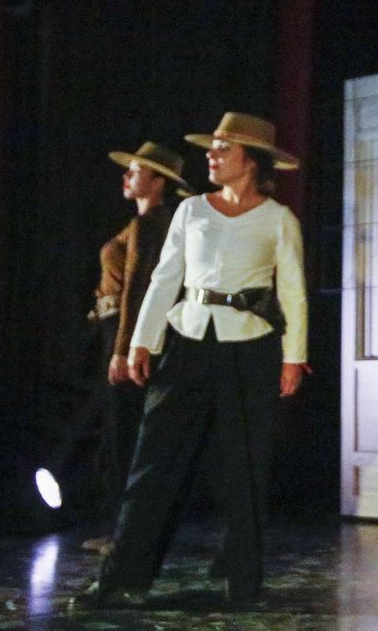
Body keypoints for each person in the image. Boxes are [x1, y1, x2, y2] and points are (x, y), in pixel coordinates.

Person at [74, 113, 307, 610]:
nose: (212, 155)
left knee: (243, 468)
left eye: (223, 149)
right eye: (212, 147)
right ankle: (121, 579)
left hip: (250, 345)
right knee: (153, 463)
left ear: (251, 161)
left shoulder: (278, 219)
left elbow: (294, 293)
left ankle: (242, 581)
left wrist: (294, 358)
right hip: (188, 340)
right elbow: (164, 278)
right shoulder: (192, 211)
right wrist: (142, 342)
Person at [84, 141, 191, 555]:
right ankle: (127, 530)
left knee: (126, 432)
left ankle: (127, 534)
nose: (126, 177)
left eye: (136, 171)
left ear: (158, 182)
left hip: (126, 336)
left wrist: (124, 348)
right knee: (126, 431)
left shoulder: (152, 224)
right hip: (119, 331)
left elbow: (138, 290)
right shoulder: (144, 222)